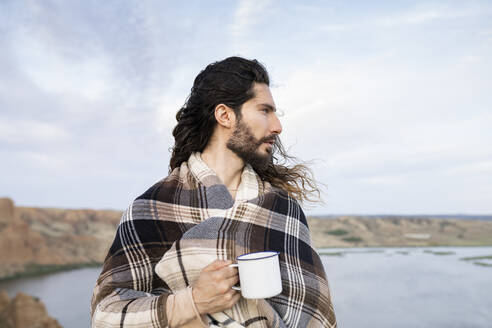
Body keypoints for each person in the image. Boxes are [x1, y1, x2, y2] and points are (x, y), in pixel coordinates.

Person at [91, 56, 337, 327]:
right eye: (265, 110)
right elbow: (106, 315)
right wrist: (194, 301)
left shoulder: (283, 207)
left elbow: (316, 313)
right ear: (225, 115)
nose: (277, 125)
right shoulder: (152, 207)